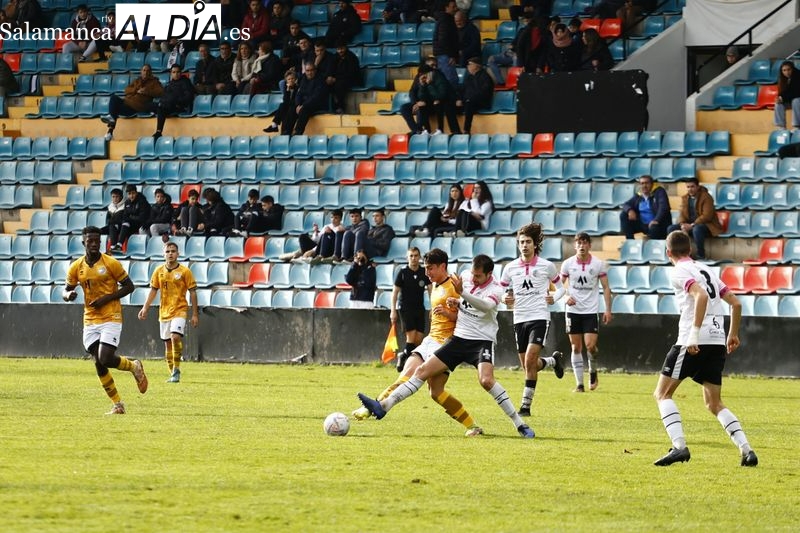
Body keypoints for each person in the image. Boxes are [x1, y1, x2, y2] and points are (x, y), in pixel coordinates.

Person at [358, 254, 536, 439]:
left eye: (478, 277)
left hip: (481, 342)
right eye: (473, 274)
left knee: (486, 381)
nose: (473, 279)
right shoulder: (464, 276)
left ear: (489, 274)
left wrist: (462, 295)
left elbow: (484, 306)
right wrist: (457, 303)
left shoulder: (496, 289)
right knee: (421, 371)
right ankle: (384, 406)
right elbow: (464, 302)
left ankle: (519, 423)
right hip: (458, 339)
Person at [353, 248, 485, 438]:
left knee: (429, 386)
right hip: (430, 340)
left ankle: (380, 407)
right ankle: (373, 408)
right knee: (417, 382)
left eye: (430, 268)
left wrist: (449, 314)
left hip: (447, 345)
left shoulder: (455, 288)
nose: (426, 273)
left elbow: (470, 317)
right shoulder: (436, 287)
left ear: (443, 266)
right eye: (426, 268)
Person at [653, 230, 758, 467]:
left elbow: (699, 296)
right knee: (713, 403)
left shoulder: (679, 271)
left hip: (694, 340)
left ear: (668, 252)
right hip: (717, 339)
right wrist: (733, 334)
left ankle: (679, 447)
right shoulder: (706, 269)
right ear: (690, 250)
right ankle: (747, 450)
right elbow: (736, 303)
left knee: (662, 394)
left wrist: (692, 335)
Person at [63, 226, 147, 415]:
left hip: (111, 315)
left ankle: (134, 366)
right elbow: (66, 289)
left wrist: (106, 299)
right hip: (90, 319)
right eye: (90, 240)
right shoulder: (76, 267)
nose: (94, 243)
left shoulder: (110, 263)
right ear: (83, 242)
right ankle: (118, 405)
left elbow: (129, 286)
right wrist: (68, 295)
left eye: (97, 240)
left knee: (106, 358)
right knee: (98, 362)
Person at [501, 223, 565, 417]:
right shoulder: (510, 267)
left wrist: (554, 297)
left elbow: (562, 287)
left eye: (528, 242)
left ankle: (525, 407)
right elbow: (501, 290)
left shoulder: (547, 266)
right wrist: (505, 298)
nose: (524, 245)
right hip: (519, 318)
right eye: (521, 242)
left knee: (529, 360)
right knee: (529, 365)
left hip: (539, 317)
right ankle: (553, 361)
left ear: (535, 244)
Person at [138, 240, 199, 383]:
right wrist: (145, 307)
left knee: (175, 337)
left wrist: (195, 314)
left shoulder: (185, 272)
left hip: (180, 309)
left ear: (178, 254)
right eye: (167, 251)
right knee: (167, 344)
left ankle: (176, 369)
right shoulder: (159, 271)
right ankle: (172, 373)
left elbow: (193, 293)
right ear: (163, 254)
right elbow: (153, 291)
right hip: (164, 312)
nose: (170, 254)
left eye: (173, 251)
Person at [559, 232, 612, 392]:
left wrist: (608, 310)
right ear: (575, 245)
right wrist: (565, 297)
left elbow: (606, 287)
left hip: (590, 311)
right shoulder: (567, 264)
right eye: (579, 243)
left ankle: (593, 370)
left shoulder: (598, 264)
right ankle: (580, 384)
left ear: (589, 245)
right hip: (572, 310)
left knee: (590, 346)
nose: (581, 246)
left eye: (584, 243)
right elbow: (558, 286)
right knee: (576, 347)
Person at [391, 247, 431, 371]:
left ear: (419, 257)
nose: (413, 258)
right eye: (411, 256)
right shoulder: (403, 272)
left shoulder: (424, 273)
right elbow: (395, 292)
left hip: (419, 308)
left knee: (419, 340)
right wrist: (393, 310)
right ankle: (409, 366)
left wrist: (432, 308)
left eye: (416, 255)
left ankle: (404, 355)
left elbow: (431, 290)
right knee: (411, 337)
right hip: (405, 309)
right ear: (407, 258)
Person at [101, 64, 163, 141]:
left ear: (150, 72)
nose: (145, 72)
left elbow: (160, 92)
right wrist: (136, 90)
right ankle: (110, 132)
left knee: (114, 112)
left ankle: (111, 123)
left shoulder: (155, 81)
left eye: (147, 71)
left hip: (141, 105)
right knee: (114, 98)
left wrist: (146, 91)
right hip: (128, 105)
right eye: (144, 70)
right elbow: (127, 90)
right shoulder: (137, 81)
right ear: (141, 71)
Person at [666, 177, 722, 261]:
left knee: (697, 229)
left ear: (698, 187)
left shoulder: (706, 197)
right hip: (689, 225)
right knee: (671, 228)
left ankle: (701, 255)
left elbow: (707, 215)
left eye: (692, 186)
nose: (690, 189)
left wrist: (692, 225)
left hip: (707, 225)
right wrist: (682, 225)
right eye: (688, 187)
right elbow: (682, 213)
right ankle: (677, 254)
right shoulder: (685, 198)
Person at [279, 208, 346, 262]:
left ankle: (301, 255)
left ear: (340, 219)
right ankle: (303, 255)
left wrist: (313, 250)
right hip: (317, 247)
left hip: (326, 250)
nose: (333, 220)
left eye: (336, 218)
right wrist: (316, 232)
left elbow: (328, 242)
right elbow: (316, 240)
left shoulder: (340, 229)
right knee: (302, 237)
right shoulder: (327, 226)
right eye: (332, 217)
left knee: (326, 235)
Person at [619, 174, 671, 240]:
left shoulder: (659, 192)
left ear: (652, 184)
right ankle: (630, 241)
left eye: (647, 183)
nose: (644, 186)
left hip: (657, 225)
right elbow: (625, 204)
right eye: (642, 183)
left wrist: (656, 220)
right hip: (643, 224)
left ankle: (654, 246)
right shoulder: (639, 195)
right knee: (623, 215)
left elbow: (664, 207)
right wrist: (630, 210)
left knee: (654, 227)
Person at [153, 64, 196, 139]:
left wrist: (177, 101)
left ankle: (158, 132)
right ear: (171, 73)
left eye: (178, 72)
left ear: (181, 73)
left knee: (162, 106)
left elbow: (188, 97)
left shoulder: (186, 82)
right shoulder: (170, 84)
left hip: (179, 106)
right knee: (153, 106)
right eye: (174, 72)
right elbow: (164, 96)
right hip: (168, 106)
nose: (176, 74)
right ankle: (158, 132)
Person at [287, 61, 329, 135]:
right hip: (304, 104)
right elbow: (299, 93)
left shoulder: (320, 80)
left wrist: (303, 105)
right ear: (305, 71)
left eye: (311, 70)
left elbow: (316, 97)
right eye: (307, 71)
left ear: (315, 70)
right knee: (291, 109)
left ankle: (298, 132)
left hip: (317, 104)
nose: (309, 73)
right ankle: (287, 132)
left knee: (304, 109)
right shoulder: (303, 78)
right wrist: (298, 105)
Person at [110, 184, 151, 252]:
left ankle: (119, 245)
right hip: (129, 224)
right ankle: (113, 247)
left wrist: (130, 217)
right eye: (129, 194)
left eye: (133, 193)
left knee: (126, 222)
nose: (131, 196)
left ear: (136, 193)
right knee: (113, 225)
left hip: (140, 224)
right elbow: (125, 215)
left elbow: (142, 218)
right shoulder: (127, 202)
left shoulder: (142, 202)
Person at [459, 57, 494, 134]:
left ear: (477, 66)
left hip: (480, 102)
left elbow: (484, 92)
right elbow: (462, 90)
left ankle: (466, 130)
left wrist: (469, 98)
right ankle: (455, 130)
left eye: (470, 64)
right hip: (468, 100)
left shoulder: (485, 77)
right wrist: (460, 99)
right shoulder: (469, 77)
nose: (467, 66)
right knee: (449, 105)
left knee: (469, 104)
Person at [327, 41, 361, 114]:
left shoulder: (352, 57)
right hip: (337, 79)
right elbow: (330, 69)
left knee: (339, 85)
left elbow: (351, 73)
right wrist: (329, 77)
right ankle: (329, 106)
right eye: (338, 49)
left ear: (346, 47)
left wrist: (336, 79)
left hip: (350, 79)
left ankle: (341, 107)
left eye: (342, 48)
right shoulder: (335, 56)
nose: (340, 51)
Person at [432, 0, 460, 90]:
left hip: (443, 54)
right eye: (453, 7)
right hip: (446, 55)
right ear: (446, 8)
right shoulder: (446, 20)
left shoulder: (444, 19)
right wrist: (451, 54)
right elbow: (443, 39)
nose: (456, 8)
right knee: (451, 81)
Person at [263, 69, 299, 134]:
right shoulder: (286, 88)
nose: (291, 80)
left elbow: (295, 100)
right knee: (284, 108)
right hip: (289, 107)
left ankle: (274, 125)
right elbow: (286, 100)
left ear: (295, 79)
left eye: (292, 78)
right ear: (286, 81)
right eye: (289, 79)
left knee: (284, 106)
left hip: (296, 107)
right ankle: (281, 130)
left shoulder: (298, 87)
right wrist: (288, 90)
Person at [773, 60, 800, 130]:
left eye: (788, 69)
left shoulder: (798, 76)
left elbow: (797, 92)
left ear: (792, 69)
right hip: (790, 101)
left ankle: (797, 126)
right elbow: (782, 93)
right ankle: (781, 127)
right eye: (784, 70)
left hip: (798, 101)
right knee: (778, 104)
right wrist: (779, 98)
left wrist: (783, 98)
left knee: (796, 101)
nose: (787, 72)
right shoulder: (783, 79)